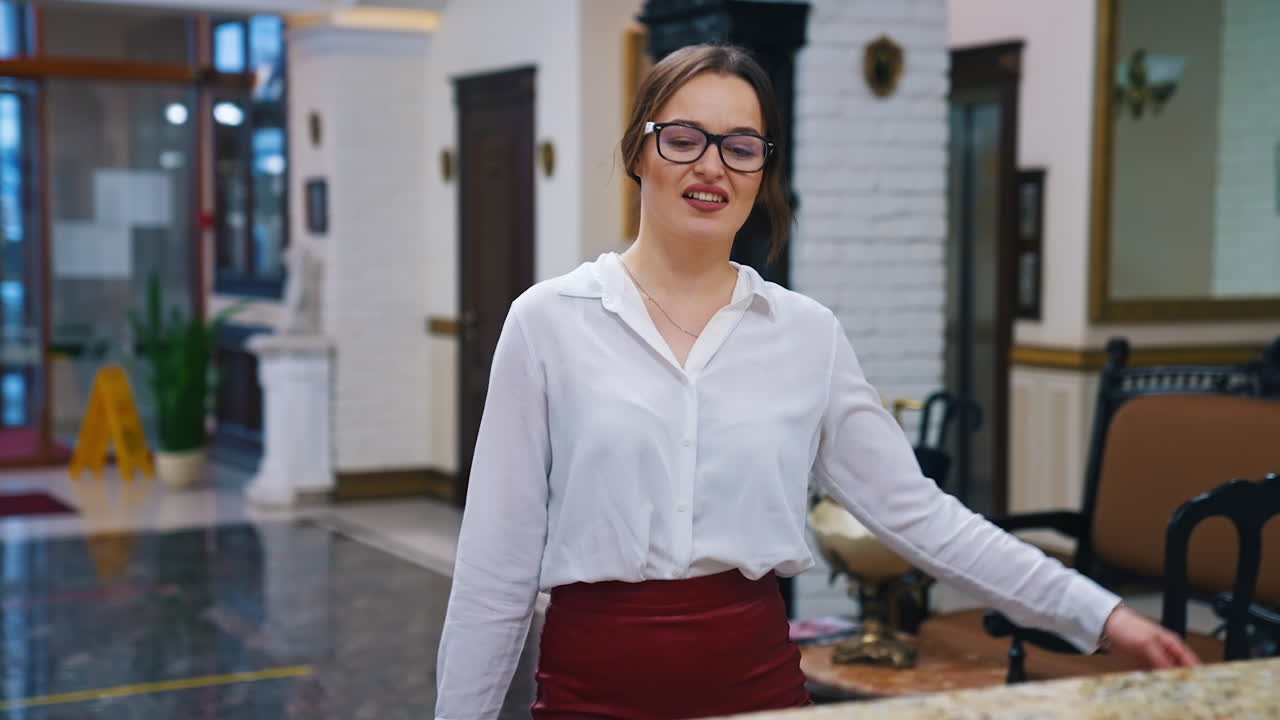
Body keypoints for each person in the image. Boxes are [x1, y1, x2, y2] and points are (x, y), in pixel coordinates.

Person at [434, 43, 1199, 720]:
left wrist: (1101, 616)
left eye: (741, 146)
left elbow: (920, 517)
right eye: (683, 138)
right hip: (590, 693)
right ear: (639, 151)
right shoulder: (550, 322)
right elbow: (493, 571)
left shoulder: (805, 335)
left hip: (755, 688)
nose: (711, 166)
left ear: (763, 168)